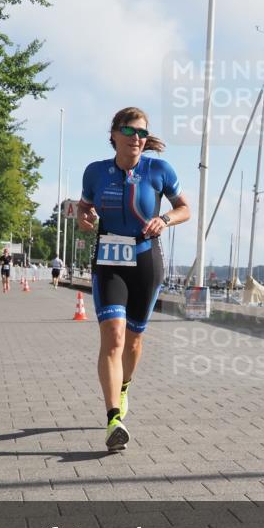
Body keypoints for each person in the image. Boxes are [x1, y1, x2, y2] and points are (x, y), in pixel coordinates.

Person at [77, 107, 190, 451]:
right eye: (130, 132)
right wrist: (84, 216)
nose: (137, 138)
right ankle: (113, 419)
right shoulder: (95, 172)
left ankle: (124, 386)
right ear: (114, 134)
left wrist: (166, 219)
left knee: (134, 342)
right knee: (113, 337)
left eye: (142, 132)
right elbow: (83, 206)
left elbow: (185, 207)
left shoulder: (159, 170)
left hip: (145, 260)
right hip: (109, 261)